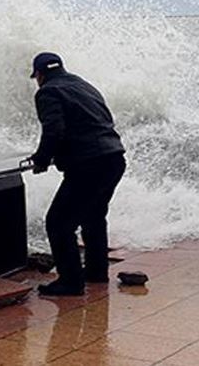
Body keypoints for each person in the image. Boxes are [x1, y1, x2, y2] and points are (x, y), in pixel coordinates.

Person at [28, 52, 126, 296]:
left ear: (39, 75)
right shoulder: (84, 85)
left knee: (58, 222)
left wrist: (41, 159)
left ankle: (70, 282)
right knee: (93, 216)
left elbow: (54, 130)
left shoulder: (47, 92)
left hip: (89, 165)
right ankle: (96, 272)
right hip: (114, 158)